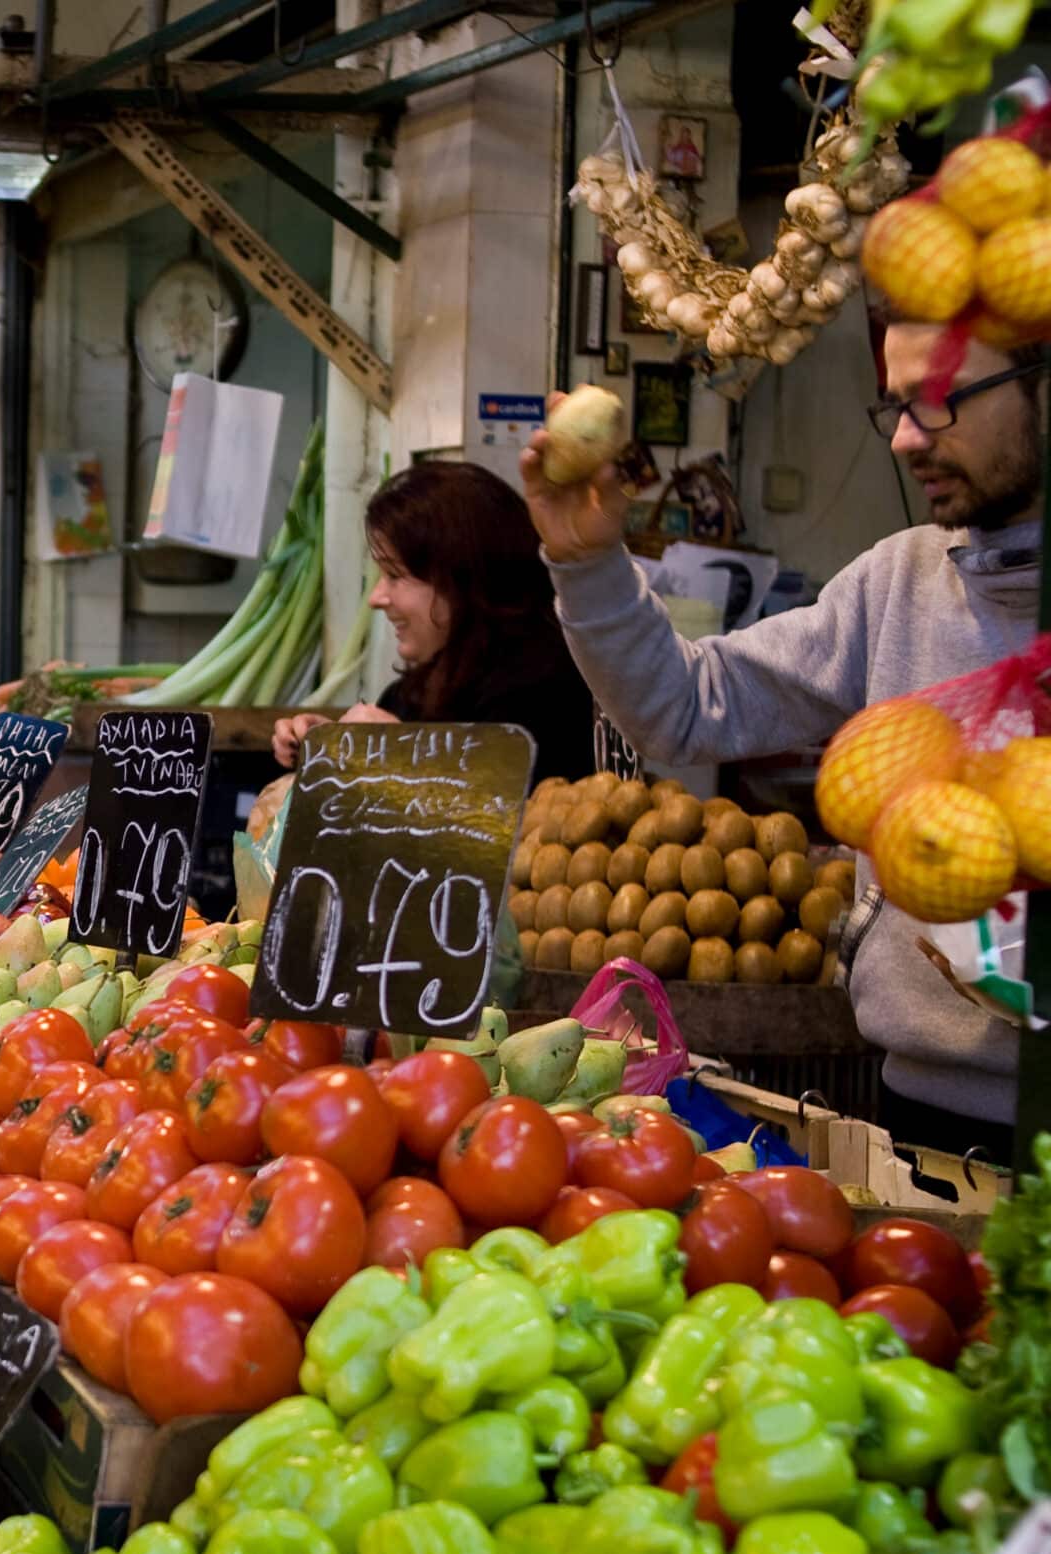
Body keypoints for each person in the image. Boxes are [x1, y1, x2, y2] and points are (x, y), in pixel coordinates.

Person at [521, 321, 1038, 1147]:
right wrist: (588, 563)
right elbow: (687, 704)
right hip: (921, 1117)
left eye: (937, 401)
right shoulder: (898, 582)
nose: (906, 438)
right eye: (895, 405)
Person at [272, 460, 600, 783]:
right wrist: (328, 745)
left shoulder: (548, 697)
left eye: (395, 575)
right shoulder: (409, 696)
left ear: (463, 578)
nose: (376, 597)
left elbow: (507, 822)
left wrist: (402, 754)